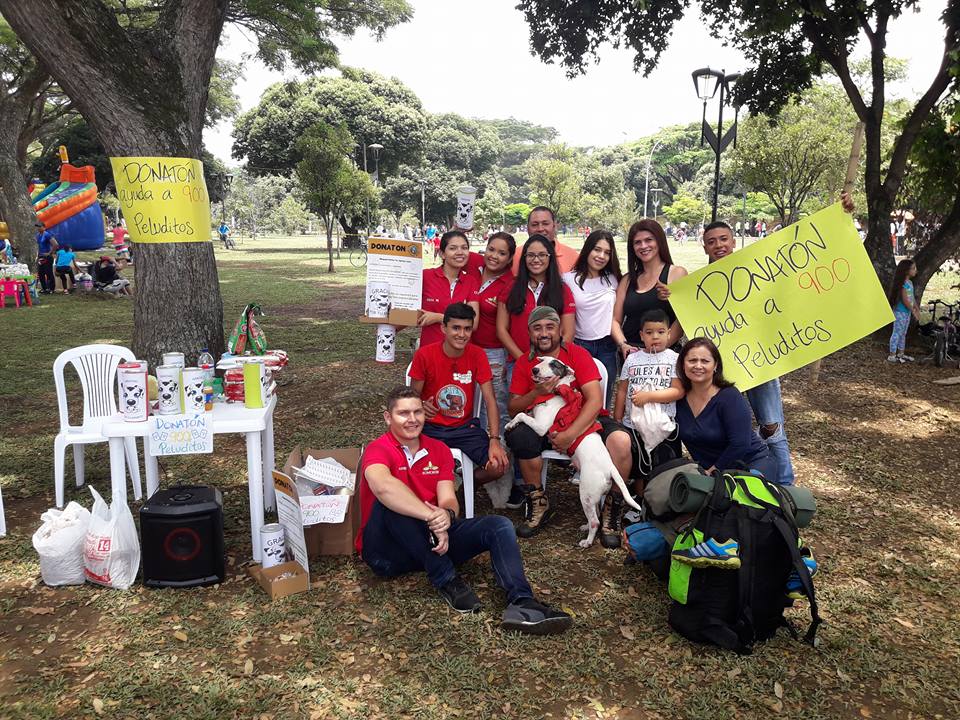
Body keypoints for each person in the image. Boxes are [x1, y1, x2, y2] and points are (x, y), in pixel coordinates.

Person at [357, 385, 572, 633]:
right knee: (392, 504)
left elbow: (448, 498)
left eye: (417, 412)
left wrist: (446, 516)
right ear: (388, 417)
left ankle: (522, 603)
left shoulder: (437, 449)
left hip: (434, 541)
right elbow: (383, 486)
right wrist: (431, 516)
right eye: (403, 413)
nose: (412, 419)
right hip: (387, 553)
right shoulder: (378, 448)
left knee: (499, 525)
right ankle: (447, 579)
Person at [504, 306, 603, 537]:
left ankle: (609, 511)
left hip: (577, 423)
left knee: (620, 440)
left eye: (550, 327)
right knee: (519, 435)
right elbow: (513, 409)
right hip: (542, 425)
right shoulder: (525, 362)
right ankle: (538, 500)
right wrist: (535, 393)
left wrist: (570, 434)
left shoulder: (577, 354)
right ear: (530, 333)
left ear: (560, 330)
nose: (544, 333)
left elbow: (595, 400)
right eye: (537, 328)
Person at [598, 309, 684, 548]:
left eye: (660, 332)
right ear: (641, 335)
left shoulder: (674, 359)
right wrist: (617, 420)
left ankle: (657, 509)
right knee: (638, 469)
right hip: (632, 425)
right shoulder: (633, 359)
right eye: (649, 332)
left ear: (669, 334)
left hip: (663, 427)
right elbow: (622, 391)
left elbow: (678, 390)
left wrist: (649, 397)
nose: (655, 337)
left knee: (660, 468)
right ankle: (635, 504)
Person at [409, 303, 509, 486]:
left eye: (467, 329)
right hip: (430, 427)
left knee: (497, 466)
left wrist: (495, 440)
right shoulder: (424, 355)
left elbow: (490, 400)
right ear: (443, 328)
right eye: (456, 328)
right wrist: (421, 405)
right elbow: (411, 398)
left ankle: (463, 488)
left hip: (464, 428)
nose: (462, 334)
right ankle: (434, 488)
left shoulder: (477, 355)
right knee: (411, 462)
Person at [675, 338, 775, 481]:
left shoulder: (729, 397)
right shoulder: (677, 399)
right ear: (683, 364)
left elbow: (740, 444)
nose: (698, 365)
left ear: (715, 365)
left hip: (750, 464)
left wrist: (713, 472)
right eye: (692, 360)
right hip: (710, 473)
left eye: (705, 361)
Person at [468, 232, 516, 458]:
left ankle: (499, 461)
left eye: (502, 253)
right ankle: (473, 455)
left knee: (495, 406)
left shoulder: (510, 283)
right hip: (465, 348)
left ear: (510, 258)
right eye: (491, 249)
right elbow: (453, 245)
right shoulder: (473, 266)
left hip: (493, 354)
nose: (494, 256)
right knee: (469, 405)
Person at [562, 229, 622, 407]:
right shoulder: (568, 279)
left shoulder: (614, 279)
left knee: (604, 399)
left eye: (607, 252)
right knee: (579, 398)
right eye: (597, 249)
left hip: (607, 346)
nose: (601, 256)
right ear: (588, 249)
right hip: (580, 345)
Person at [612, 219, 687, 357]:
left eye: (649, 240)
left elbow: (682, 319)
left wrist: (658, 349)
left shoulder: (676, 273)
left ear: (659, 241)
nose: (643, 246)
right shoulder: (627, 280)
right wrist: (623, 345)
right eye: (637, 242)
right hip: (631, 354)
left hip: (664, 355)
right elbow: (615, 320)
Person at [418, 230, 480, 347]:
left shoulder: (471, 281)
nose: (460, 252)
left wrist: (438, 317)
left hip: (460, 351)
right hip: (430, 348)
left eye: (464, 248)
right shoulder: (425, 276)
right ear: (442, 254)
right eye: (453, 248)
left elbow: (474, 323)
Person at [510, 206, 579, 274]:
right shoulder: (513, 256)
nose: (540, 229)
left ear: (554, 226)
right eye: (534, 224)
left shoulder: (573, 257)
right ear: (527, 228)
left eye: (545, 224)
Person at [887, 258, 921, 363]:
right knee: (897, 332)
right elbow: (905, 300)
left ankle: (901, 353)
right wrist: (913, 311)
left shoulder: (910, 283)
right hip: (900, 312)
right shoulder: (903, 284)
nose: (915, 270)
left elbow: (912, 298)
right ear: (906, 271)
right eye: (913, 268)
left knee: (903, 333)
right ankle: (892, 354)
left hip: (907, 312)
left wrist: (916, 308)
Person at [35, 222, 58, 293]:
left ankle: (51, 289)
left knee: (48, 272)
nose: (38, 228)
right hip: (41, 256)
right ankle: (44, 288)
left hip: (48, 257)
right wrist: (37, 256)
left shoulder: (47, 235)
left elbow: (55, 244)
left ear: (44, 227)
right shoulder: (38, 235)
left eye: (40, 226)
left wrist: (49, 253)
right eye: (37, 227)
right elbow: (39, 246)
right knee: (41, 273)